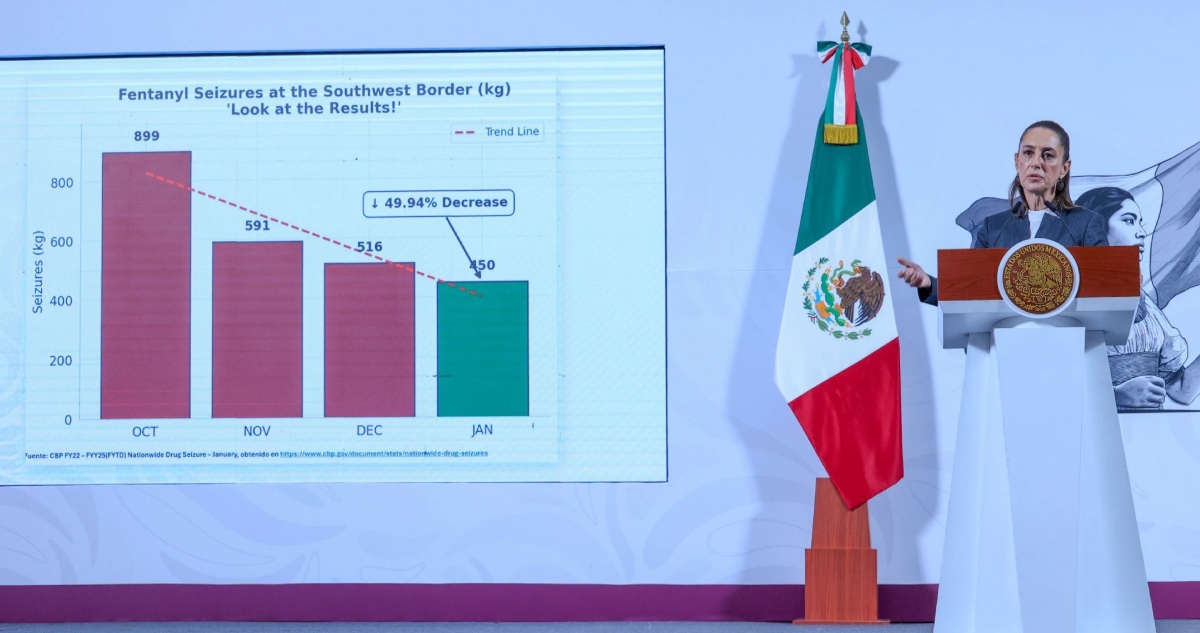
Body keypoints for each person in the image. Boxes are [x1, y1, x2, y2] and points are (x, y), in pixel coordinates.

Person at [896, 120, 1109, 305]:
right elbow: (970, 289)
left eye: (1048, 155)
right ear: (1017, 161)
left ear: (1064, 167)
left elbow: (1108, 288)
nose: (1036, 163)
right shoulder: (993, 228)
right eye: (1028, 153)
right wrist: (928, 283)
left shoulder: (1086, 224)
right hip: (1004, 337)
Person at [1076, 186, 1200, 410]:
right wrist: (1115, 395)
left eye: (1139, 222)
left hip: (1149, 428)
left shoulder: (1143, 301)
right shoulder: (1065, 296)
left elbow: (1182, 390)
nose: (1142, 232)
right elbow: (1046, 379)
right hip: (1095, 424)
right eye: (1129, 220)